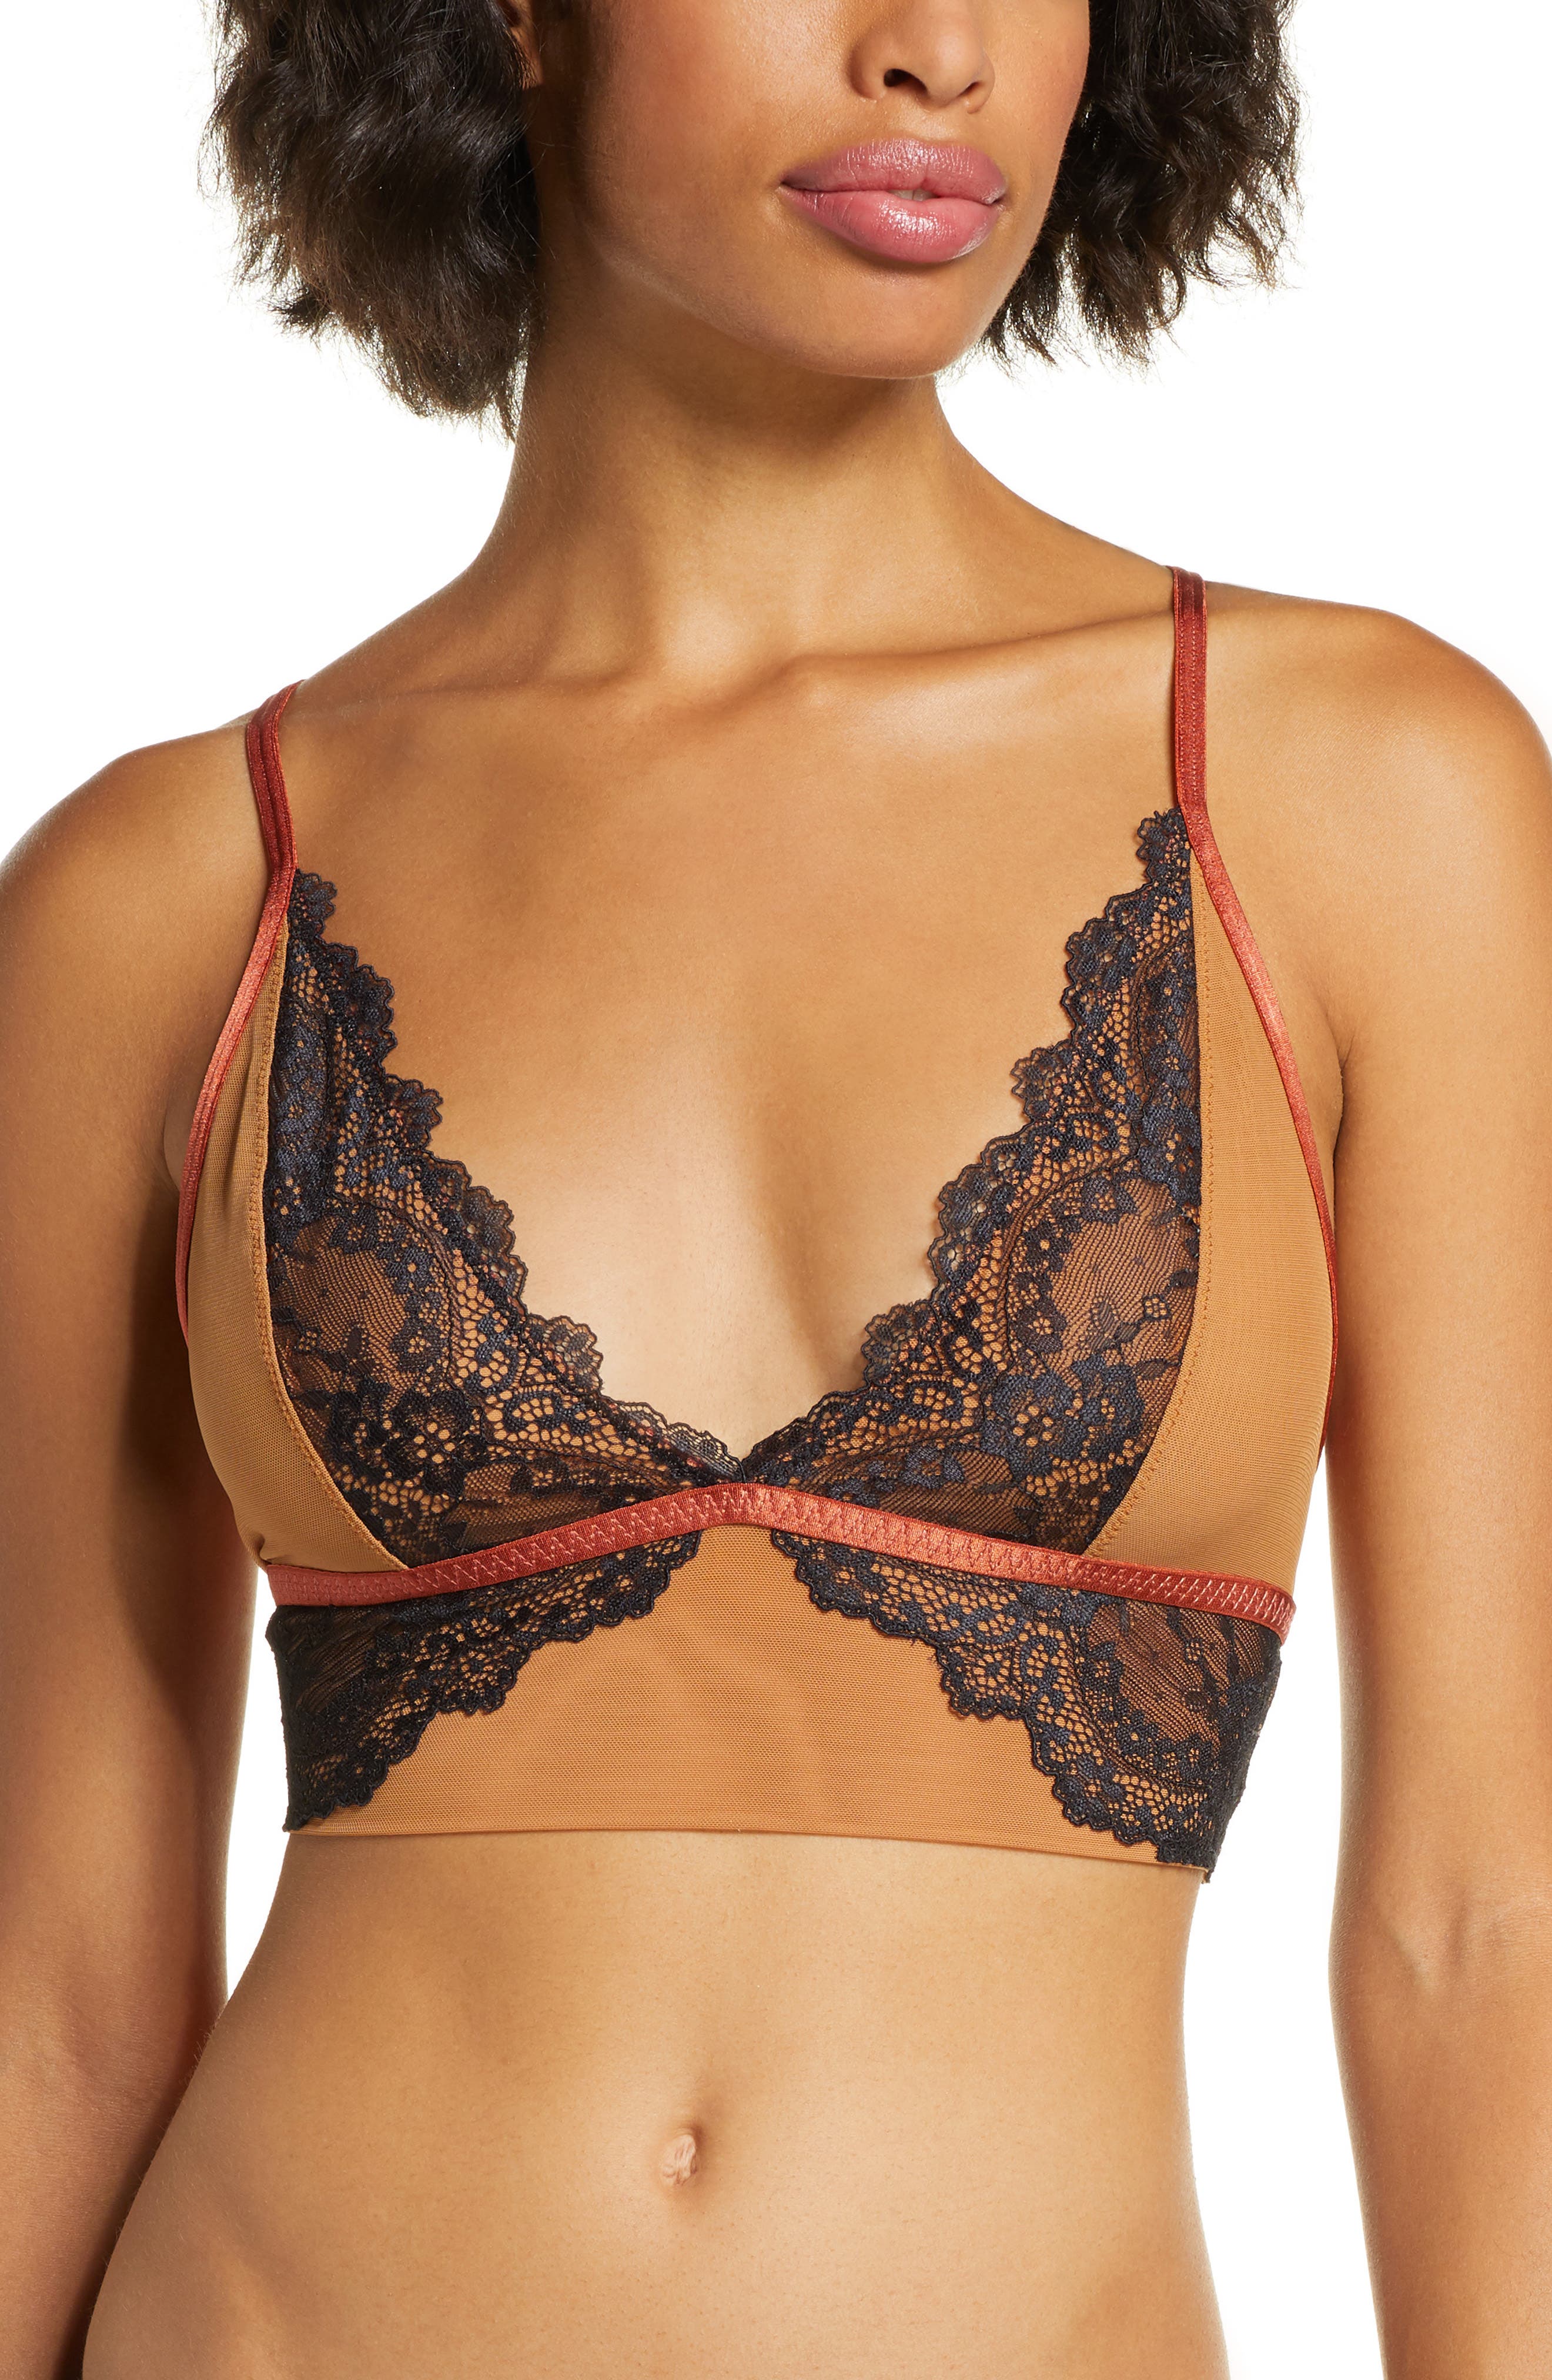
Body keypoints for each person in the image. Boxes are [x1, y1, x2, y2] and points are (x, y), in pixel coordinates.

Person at [3, 0, 1550, 2370]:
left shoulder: (1360, 793)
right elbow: (59, 1991)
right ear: (513, 14)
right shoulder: (163, 895)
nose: (934, 52)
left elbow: (1481, 1920)